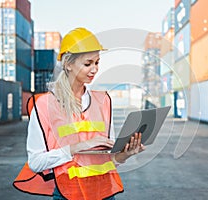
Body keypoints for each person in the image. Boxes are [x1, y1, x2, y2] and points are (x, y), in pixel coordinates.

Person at [13, 27, 145, 200]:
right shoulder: (45, 105)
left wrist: (124, 155)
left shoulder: (103, 101)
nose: (94, 69)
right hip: (68, 194)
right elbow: (36, 163)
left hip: (105, 193)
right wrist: (76, 148)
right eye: (88, 63)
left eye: (97, 62)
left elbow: (108, 160)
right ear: (68, 64)